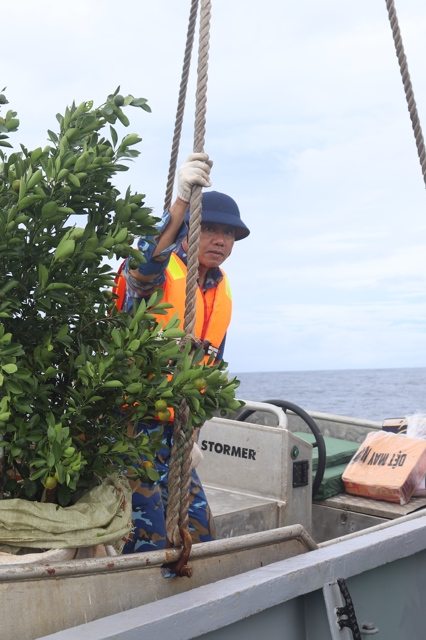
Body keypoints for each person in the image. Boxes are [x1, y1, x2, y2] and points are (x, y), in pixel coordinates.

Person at [115, 153, 250, 554]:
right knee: (146, 540)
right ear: (188, 229)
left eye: (228, 234)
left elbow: (208, 373)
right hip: (134, 427)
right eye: (209, 229)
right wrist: (178, 204)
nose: (221, 240)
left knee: (199, 534)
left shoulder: (219, 293)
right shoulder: (159, 273)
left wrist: (193, 437)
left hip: (178, 431)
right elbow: (141, 269)